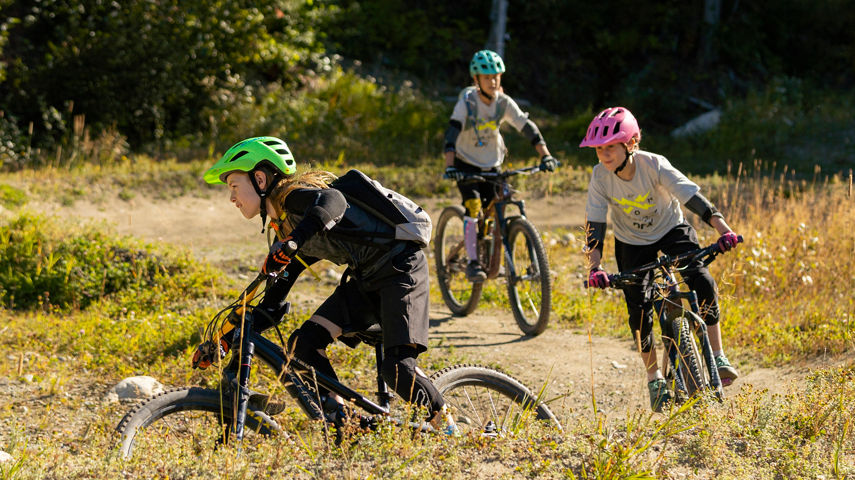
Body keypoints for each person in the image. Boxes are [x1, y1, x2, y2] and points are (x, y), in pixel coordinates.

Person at [195, 136, 457, 433]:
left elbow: (334, 201)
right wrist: (224, 341)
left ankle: (451, 431)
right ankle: (347, 424)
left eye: (233, 186)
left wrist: (294, 241)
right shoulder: (285, 228)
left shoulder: (294, 199)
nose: (231, 197)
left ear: (259, 178)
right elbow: (270, 305)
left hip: (401, 269)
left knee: (397, 371)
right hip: (365, 280)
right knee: (302, 346)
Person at [580, 107, 740, 412]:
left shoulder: (653, 165)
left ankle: (718, 355)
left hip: (670, 229)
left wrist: (723, 229)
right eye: (599, 149)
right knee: (638, 311)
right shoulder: (600, 176)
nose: (603, 155)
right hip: (631, 241)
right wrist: (595, 266)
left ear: (631, 144)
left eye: (610, 147)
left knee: (701, 278)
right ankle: (654, 377)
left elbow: (689, 196)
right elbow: (596, 225)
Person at [443, 49, 558, 281]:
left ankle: (494, 257)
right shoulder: (467, 102)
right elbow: (452, 132)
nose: (493, 81)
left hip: (492, 164)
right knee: (474, 208)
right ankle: (474, 262)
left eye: (496, 76)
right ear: (476, 80)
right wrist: (450, 165)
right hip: (466, 165)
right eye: (487, 77)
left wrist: (546, 155)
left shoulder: (503, 103)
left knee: (499, 207)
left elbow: (526, 126)